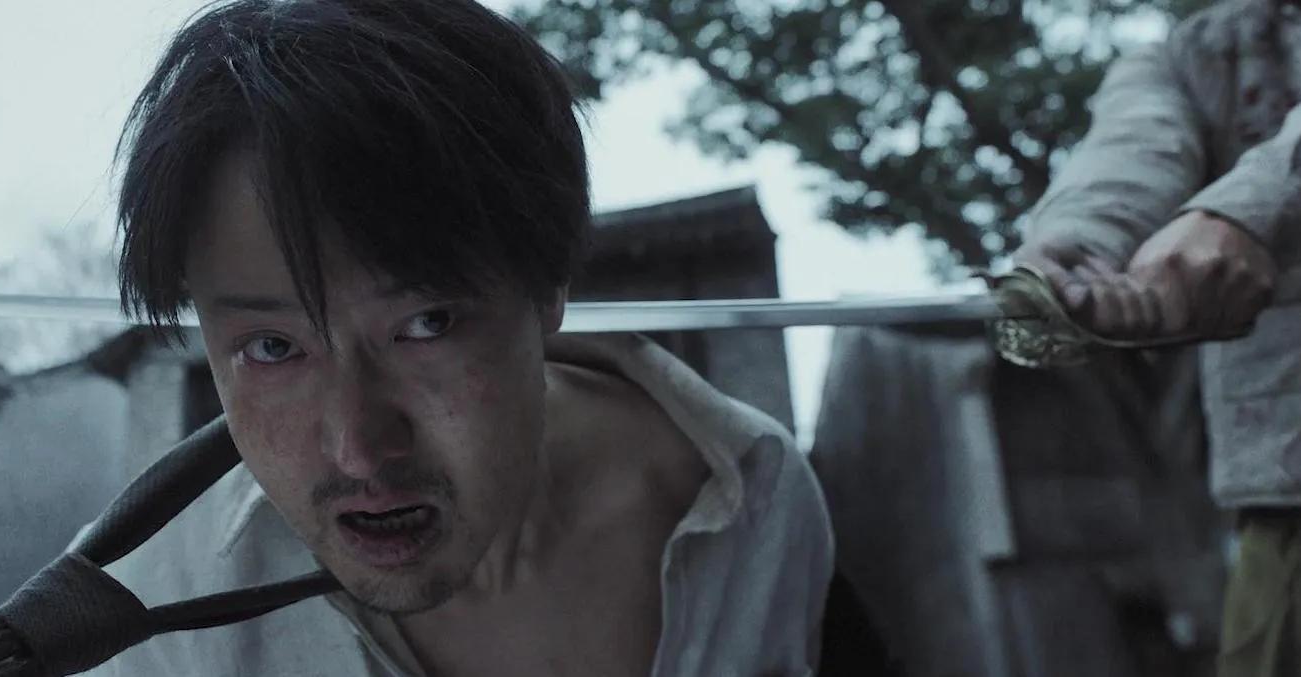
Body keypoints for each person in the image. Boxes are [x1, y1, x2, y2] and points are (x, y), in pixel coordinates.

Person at [84, 0, 834, 674]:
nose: (358, 448)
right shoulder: (140, 611)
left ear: (546, 286)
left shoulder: (751, 502)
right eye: (271, 347)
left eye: (426, 324)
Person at [1012, 1, 1301, 674]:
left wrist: (1244, 211)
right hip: (1286, 497)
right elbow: (1131, 153)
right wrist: (1076, 248)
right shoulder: (1193, 55)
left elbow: (1257, 196)